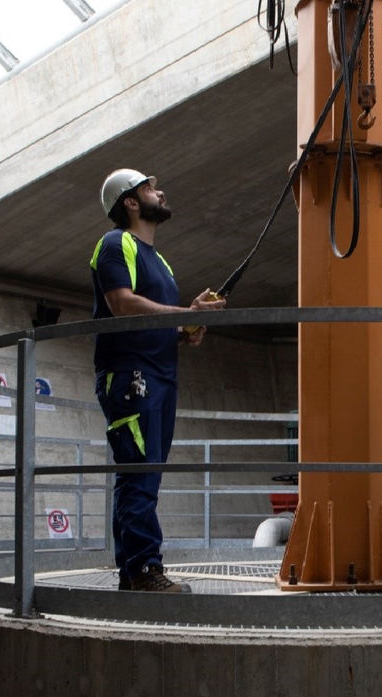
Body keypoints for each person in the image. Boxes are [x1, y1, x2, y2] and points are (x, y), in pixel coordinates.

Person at [91, 169, 226, 592]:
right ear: (130, 202)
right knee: (140, 475)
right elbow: (122, 304)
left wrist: (187, 329)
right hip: (132, 377)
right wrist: (187, 316)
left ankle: (135, 572)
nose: (160, 191)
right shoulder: (116, 244)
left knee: (143, 475)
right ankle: (143, 570)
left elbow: (155, 321)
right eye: (149, 188)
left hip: (160, 377)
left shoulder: (160, 261)